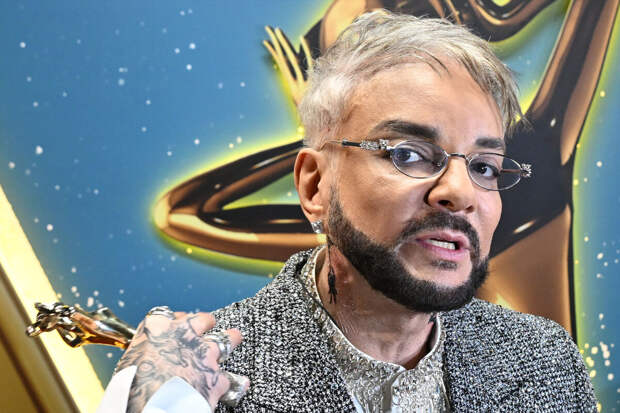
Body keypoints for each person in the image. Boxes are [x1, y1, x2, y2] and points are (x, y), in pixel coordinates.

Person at [98, 10, 597, 413]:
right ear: (315, 185)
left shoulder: (545, 360)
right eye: (409, 154)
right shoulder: (202, 385)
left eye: (485, 167)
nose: (461, 192)